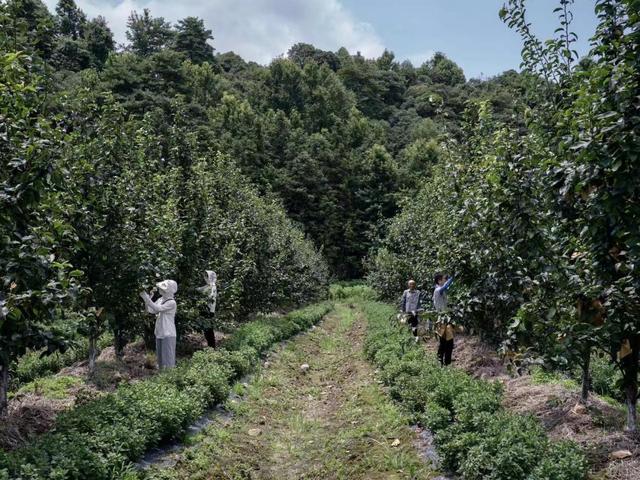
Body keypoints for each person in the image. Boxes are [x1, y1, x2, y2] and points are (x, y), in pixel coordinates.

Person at [141, 279, 178, 369]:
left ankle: (170, 379)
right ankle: (162, 379)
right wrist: (148, 299)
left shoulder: (171, 302)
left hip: (168, 333)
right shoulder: (161, 299)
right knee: (161, 361)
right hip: (160, 333)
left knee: (168, 361)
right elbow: (151, 310)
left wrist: (146, 298)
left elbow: (157, 308)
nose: (160, 289)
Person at [433, 273, 454, 366]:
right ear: (439, 281)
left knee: (448, 341)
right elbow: (445, 287)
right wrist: (452, 278)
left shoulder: (439, 291)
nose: (444, 281)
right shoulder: (438, 290)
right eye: (443, 279)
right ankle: (442, 361)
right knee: (445, 342)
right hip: (442, 320)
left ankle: (444, 362)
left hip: (445, 319)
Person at [198, 270, 218, 347]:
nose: (205, 278)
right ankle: (210, 346)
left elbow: (210, 297)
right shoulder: (207, 286)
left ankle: (212, 346)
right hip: (205, 309)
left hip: (209, 310)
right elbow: (199, 289)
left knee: (209, 329)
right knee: (206, 329)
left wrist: (203, 298)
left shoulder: (213, 286)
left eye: (207, 276)